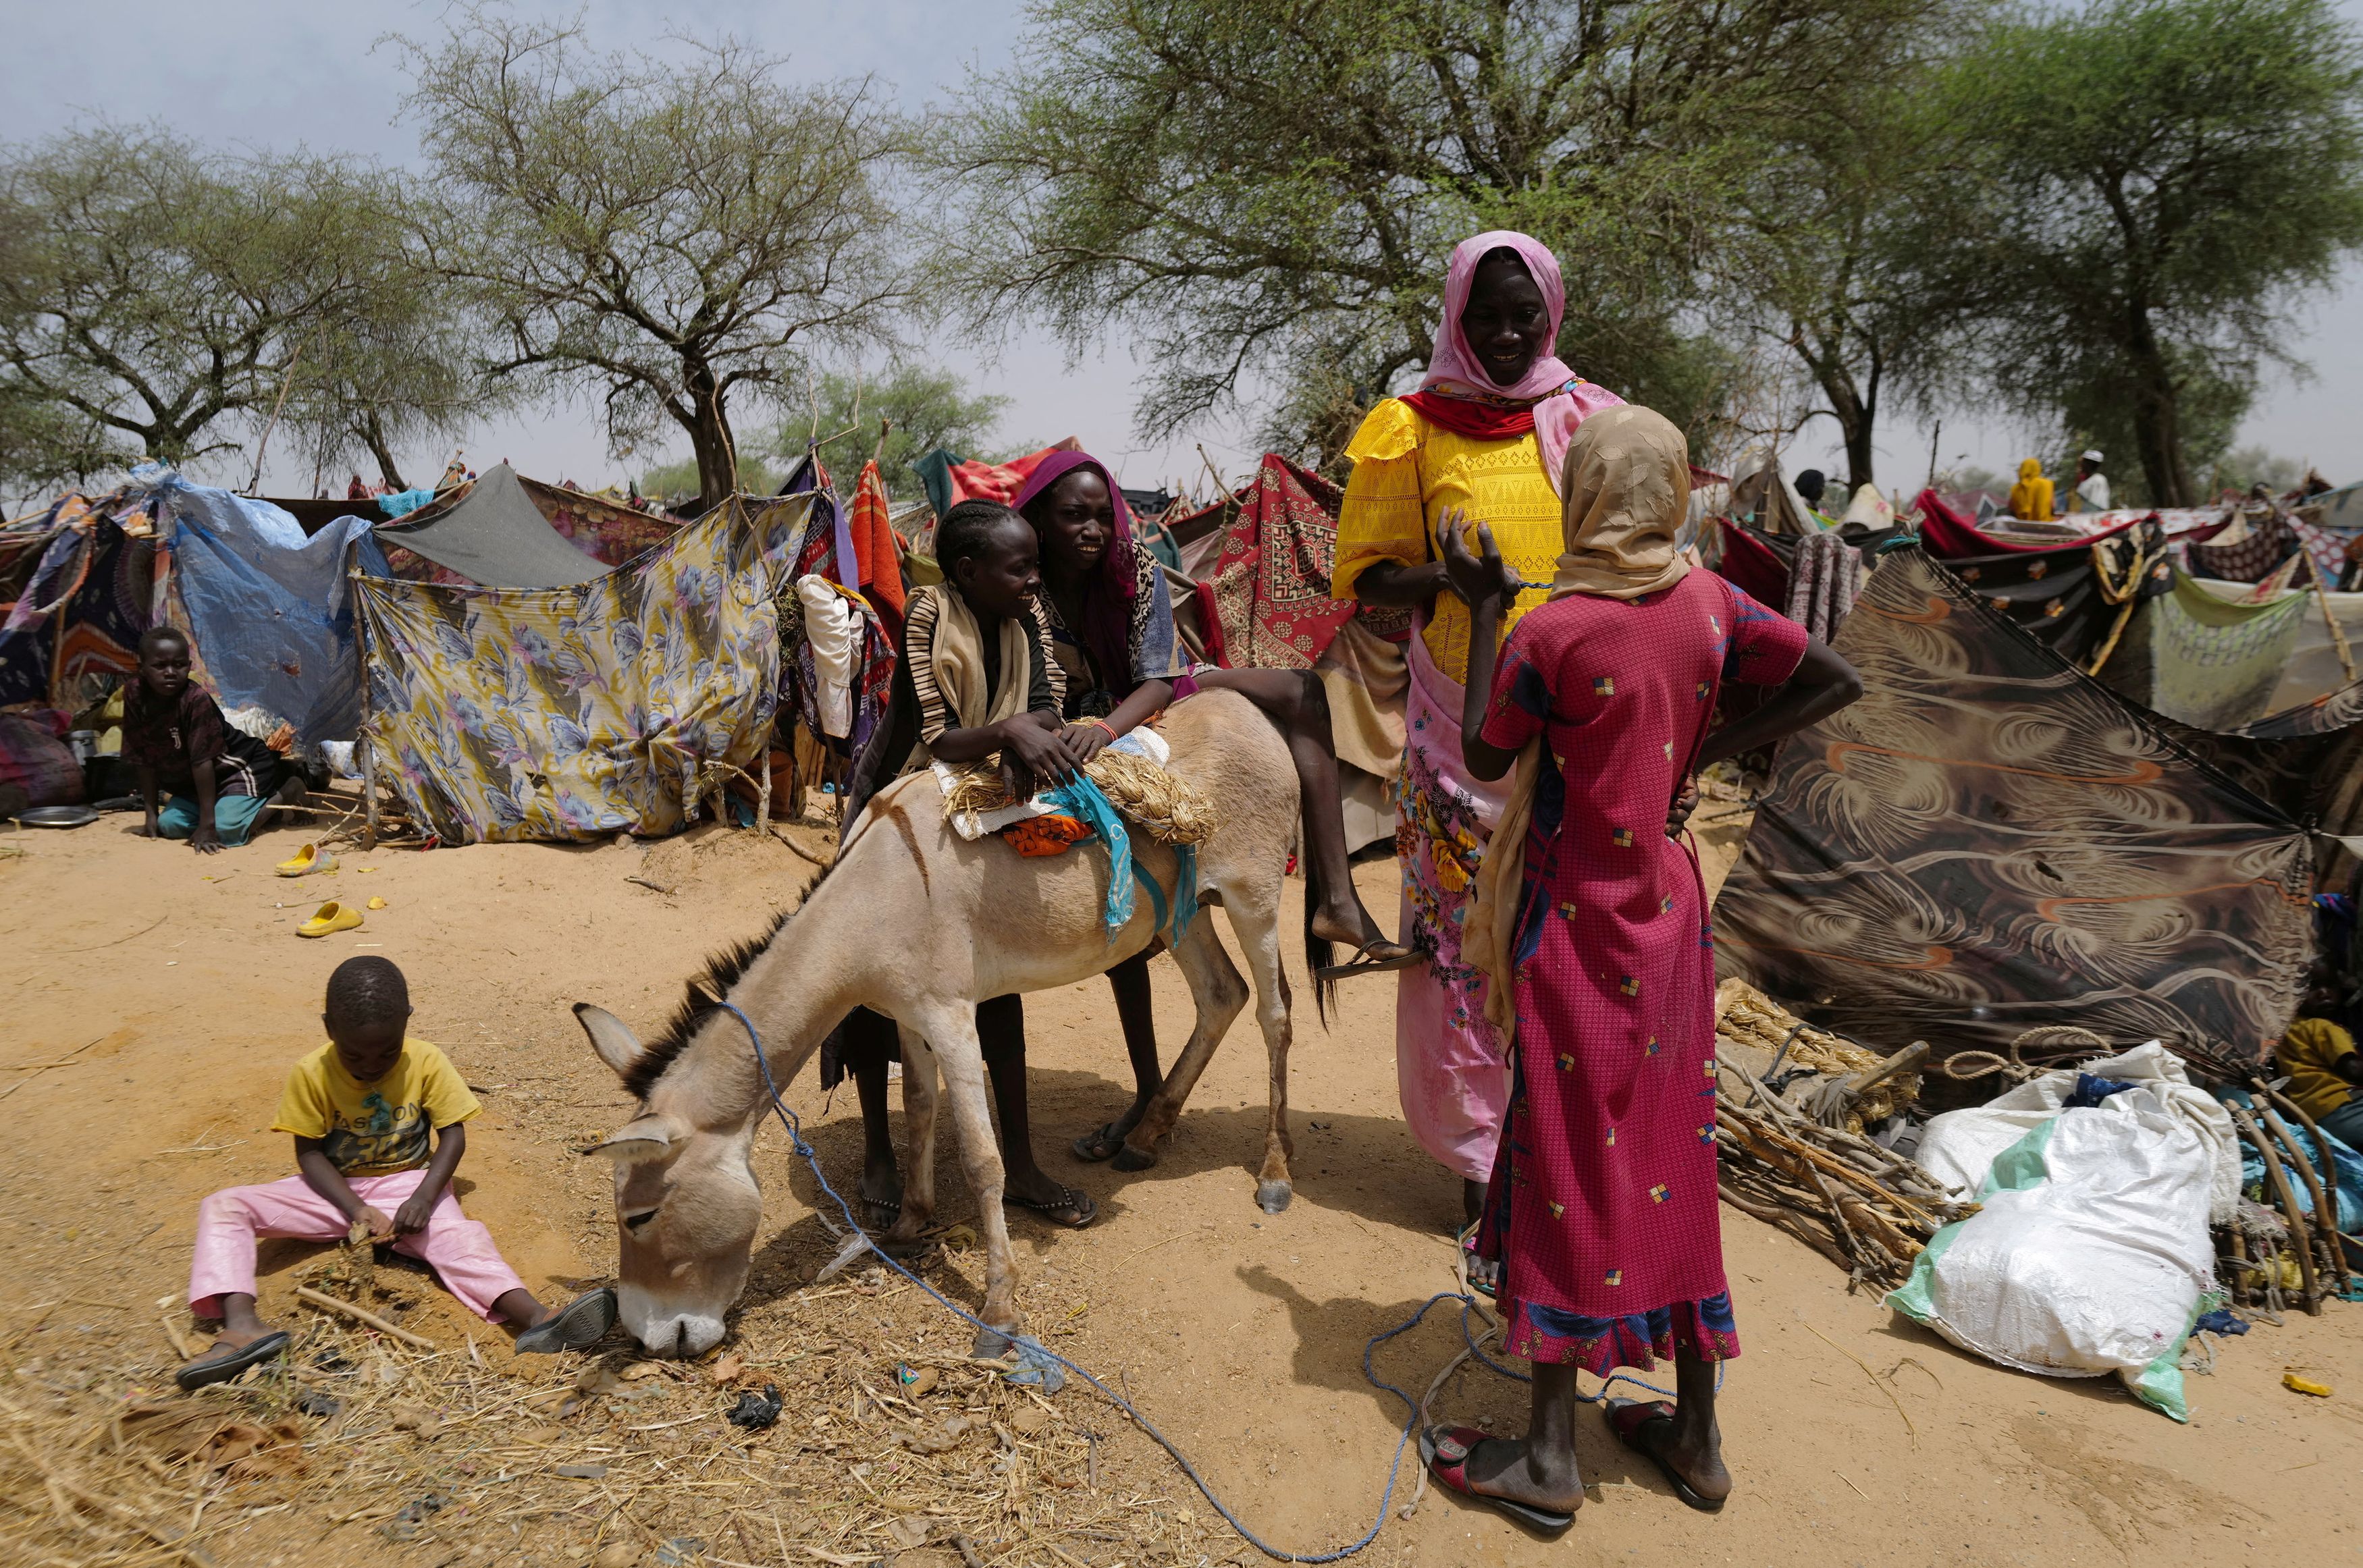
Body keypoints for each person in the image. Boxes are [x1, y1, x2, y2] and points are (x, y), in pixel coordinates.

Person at [1414, 406, 1863, 1530]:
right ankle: (1698, 1434)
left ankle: (1548, 1457)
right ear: (1670, 494)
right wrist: (1705, 752)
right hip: (1669, 913)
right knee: (1673, 1151)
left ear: (1582, 495)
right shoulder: (1714, 603)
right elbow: (1832, 677)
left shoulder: (1552, 630)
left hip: (1576, 920)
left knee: (1564, 1156)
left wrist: (1483, 604)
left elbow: (1486, 754)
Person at [1330, 230, 1625, 1259]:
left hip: (1575, 725)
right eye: (1484, 315)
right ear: (1456, 315)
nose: (1505, 334)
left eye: (1523, 315)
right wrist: (1449, 582)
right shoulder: (1411, 428)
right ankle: (1476, 1164)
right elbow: (1368, 579)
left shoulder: (1593, 420)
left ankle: (1554, 1152)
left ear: (1553, 314)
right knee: (1463, 945)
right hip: (1455, 725)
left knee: (1561, 945)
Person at [1012, 452, 1412, 1157]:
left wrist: (1105, 726)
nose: (1092, 530)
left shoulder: (1132, 569)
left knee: (1304, 691)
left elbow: (1160, 676)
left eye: (1103, 515)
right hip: (1065, 727)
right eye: (1073, 515)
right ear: (1039, 519)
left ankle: (1336, 894)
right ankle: (1148, 1089)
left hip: (1145, 697)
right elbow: (1030, 689)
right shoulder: (1023, 585)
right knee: (1122, 924)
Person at [834, 501, 1100, 1228]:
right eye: (1020, 568)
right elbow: (937, 733)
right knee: (866, 979)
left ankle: (1020, 1164)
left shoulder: (1028, 615)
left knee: (992, 974)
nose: (1034, 580)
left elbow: (1048, 707)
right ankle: (880, 1151)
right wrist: (1009, 732)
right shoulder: (927, 613)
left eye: (1034, 566)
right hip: (896, 802)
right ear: (967, 571)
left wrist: (1021, 735)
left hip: (980, 796)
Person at [175, 957, 617, 1389]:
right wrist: (356, 1208)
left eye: (388, 1051)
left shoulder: (426, 1061)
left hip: (408, 1184)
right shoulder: (311, 1073)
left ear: (407, 1020)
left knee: (459, 1240)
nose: (371, 1064)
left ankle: (536, 1318)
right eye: (353, 1054)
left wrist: (425, 1197)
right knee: (224, 1205)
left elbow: (453, 1135)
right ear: (329, 1028)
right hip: (335, 1193)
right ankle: (242, 1325)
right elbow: (309, 1154)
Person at [124, 627, 302, 853]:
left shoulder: (194, 699)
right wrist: (151, 814)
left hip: (238, 769)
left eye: (179, 665)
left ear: (189, 666)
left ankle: (287, 792)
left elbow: (202, 762)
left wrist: (208, 826)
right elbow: (142, 756)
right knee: (168, 825)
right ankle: (244, 812)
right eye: (160, 666)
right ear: (141, 669)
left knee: (225, 831)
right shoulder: (135, 694)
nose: (170, 672)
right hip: (195, 783)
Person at [2278, 964, 2363, 1150]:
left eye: (2330, 986)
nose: (2324, 993)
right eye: (2312, 987)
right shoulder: (2323, 1027)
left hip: (2315, 1117)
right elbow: (2352, 1069)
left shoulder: (2286, 1032)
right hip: (2346, 1106)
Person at [2009, 458, 2055, 522]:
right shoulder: (2046, 484)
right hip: (2044, 524)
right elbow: (2052, 505)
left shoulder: (2016, 488)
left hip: (2022, 525)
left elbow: (2011, 508)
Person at [2069, 450, 2110, 514]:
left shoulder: (2098, 479)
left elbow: (2095, 507)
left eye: (2083, 462)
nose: (2081, 465)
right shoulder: (2084, 482)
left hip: (2093, 517)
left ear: (2090, 464)